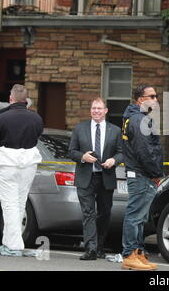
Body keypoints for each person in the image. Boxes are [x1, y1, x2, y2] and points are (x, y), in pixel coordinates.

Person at [0, 84, 43, 257]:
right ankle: (8, 243)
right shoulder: (36, 118)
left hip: (7, 163)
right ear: (26, 100)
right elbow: (37, 137)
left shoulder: (1, 118)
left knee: (9, 203)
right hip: (29, 163)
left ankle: (14, 245)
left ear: (10, 99)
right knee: (19, 202)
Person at [68, 98, 123, 260]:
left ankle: (99, 247)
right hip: (86, 176)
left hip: (105, 177)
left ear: (106, 111)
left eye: (99, 108)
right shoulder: (79, 128)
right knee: (88, 213)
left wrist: (114, 160)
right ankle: (90, 249)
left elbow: (121, 152)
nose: (96, 111)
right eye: (93, 108)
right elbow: (71, 151)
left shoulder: (115, 130)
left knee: (104, 213)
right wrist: (83, 156)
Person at [121, 84, 163, 270]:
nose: (156, 99)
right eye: (152, 96)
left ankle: (137, 252)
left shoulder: (138, 118)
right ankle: (130, 254)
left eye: (156, 96)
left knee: (139, 216)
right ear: (140, 99)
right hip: (141, 173)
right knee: (135, 216)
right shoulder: (139, 120)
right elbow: (144, 151)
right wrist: (155, 174)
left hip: (140, 172)